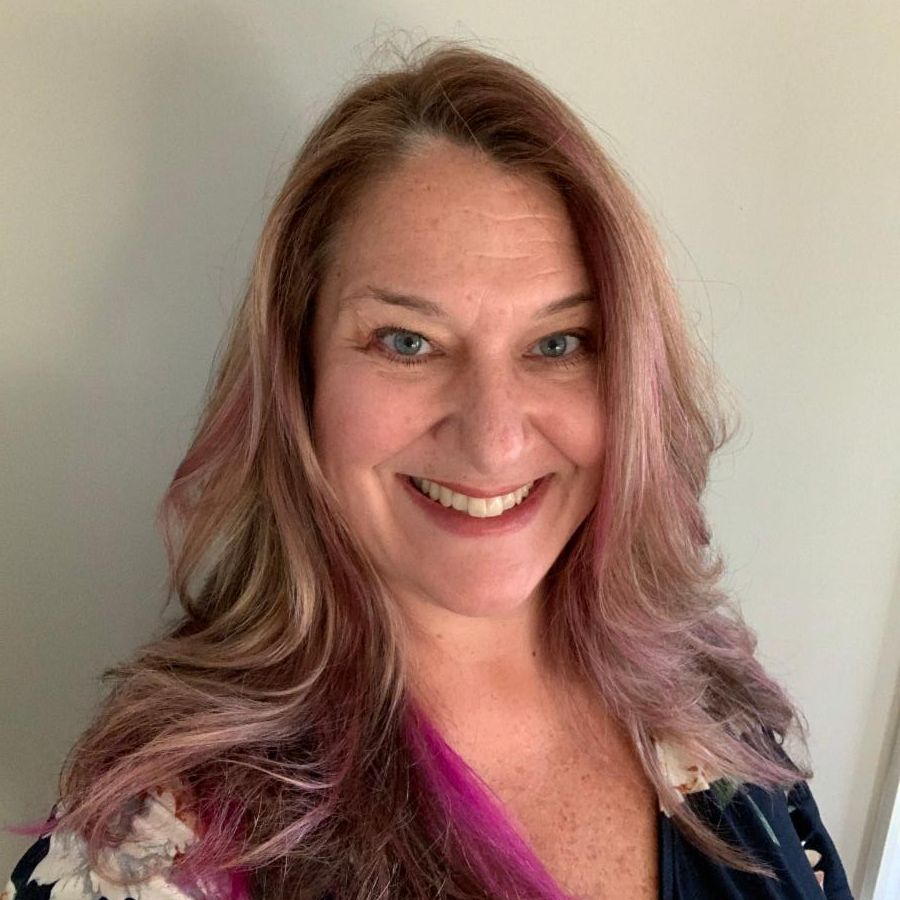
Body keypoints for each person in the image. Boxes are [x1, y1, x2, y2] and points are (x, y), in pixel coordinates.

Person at [4, 40, 854, 900]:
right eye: (407, 342)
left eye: (559, 343)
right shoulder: (163, 849)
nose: (493, 440)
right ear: (300, 375)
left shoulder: (710, 704)